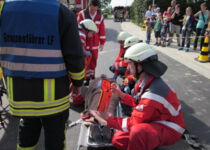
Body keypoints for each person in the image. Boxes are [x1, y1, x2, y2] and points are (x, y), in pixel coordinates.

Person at [0, 0, 85, 150]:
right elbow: (75, 55)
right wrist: (78, 83)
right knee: (55, 139)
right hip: (55, 99)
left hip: (19, 95)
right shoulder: (62, 12)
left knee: (27, 133)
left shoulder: (3, 9)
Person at [89, 43, 187, 150]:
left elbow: (134, 122)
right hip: (156, 120)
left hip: (169, 129)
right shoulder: (146, 81)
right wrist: (121, 95)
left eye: (130, 64)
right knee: (118, 139)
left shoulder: (153, 92)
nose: (128, 68)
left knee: (137, 132)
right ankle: (146, 142)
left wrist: (108, 119)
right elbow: (139, 102)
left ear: (141, 65)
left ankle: (148, 140)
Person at [77, 0, 106, 82]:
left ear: (97, 8)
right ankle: (84, 79)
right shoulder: (82, 14)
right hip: (84, 44)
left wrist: (102, 42)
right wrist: (86, 34)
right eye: (91, 9)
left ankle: (91, 77)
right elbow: (78, 28)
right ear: (89, 6)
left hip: (94, 44)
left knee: (93, 62)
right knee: (84, 63)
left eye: (94, 9)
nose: (92, 11)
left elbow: (102, 30)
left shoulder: (100, 16)